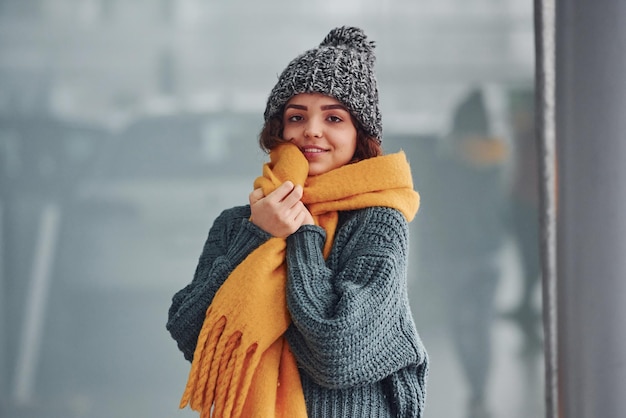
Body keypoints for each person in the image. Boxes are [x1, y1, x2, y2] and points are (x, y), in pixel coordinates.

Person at [166, 26, 428, 418]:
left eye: (334, 117)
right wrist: (258, 236)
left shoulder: (378, 223)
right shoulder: (240, 223)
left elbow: (338, 353)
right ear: (279, 129)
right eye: (296, 116)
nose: (312, 130)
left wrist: (302, 234)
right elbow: (192, 333)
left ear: (361, 135)